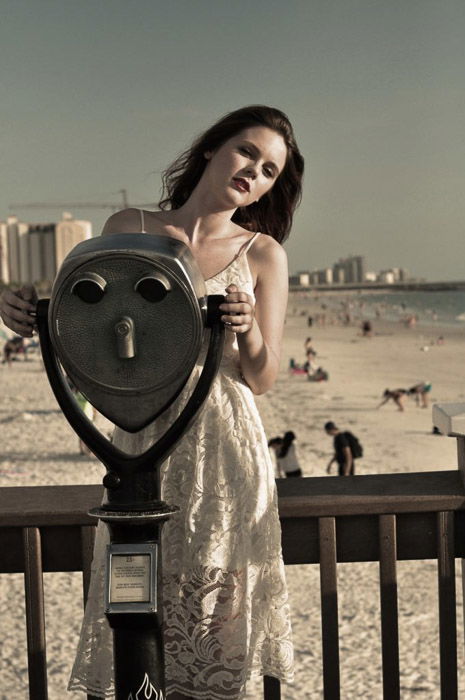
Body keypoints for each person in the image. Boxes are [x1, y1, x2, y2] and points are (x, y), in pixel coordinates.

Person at [0, 105, 304, 699]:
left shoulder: (263, 253)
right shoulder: (128, 225)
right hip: (142, 434)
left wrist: (248, 330)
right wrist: (22, 314)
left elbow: (263, 378)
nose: (254, 172)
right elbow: (88, 330)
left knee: (217, 626)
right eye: (247, 152)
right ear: (212, 149)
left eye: (270, 170)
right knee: (137, 597)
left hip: (223, 442)